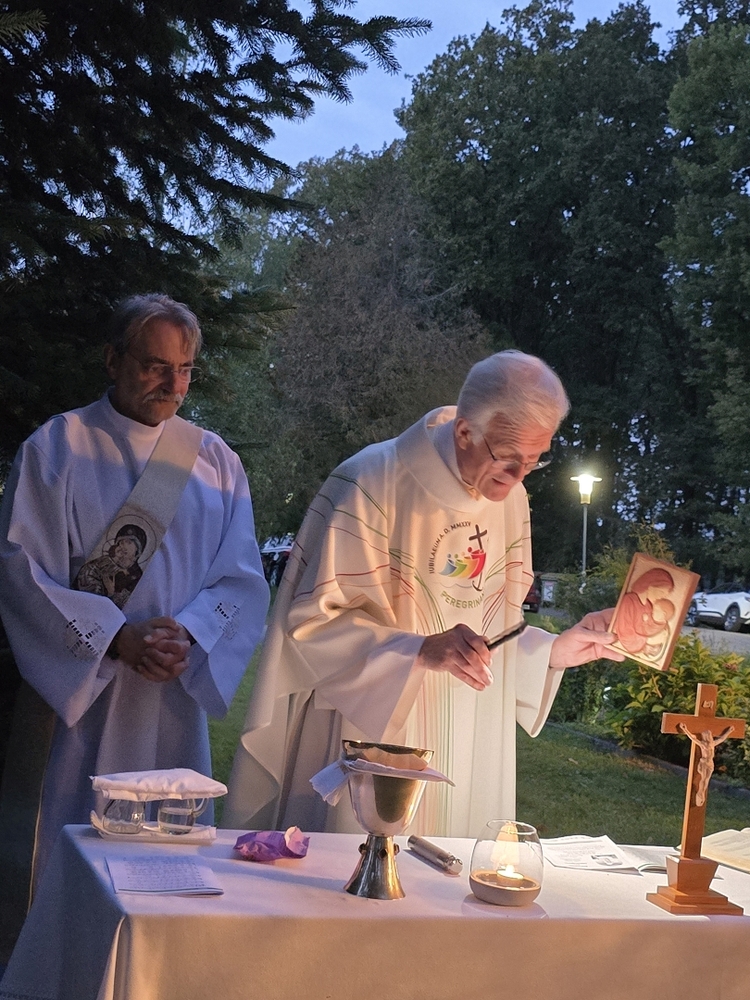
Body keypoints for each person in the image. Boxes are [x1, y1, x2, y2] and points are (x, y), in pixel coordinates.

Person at [223, 350, 623, 837]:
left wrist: (554, 651)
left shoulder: (511, 500)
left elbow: (493, 623)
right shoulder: (370, 482)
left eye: (534, 462)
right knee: (365, 868)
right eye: (508, 459)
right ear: (464, 432)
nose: (518, 477)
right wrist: (417, 650)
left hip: (471, 733)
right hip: (375, 723)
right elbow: (310, 626)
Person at [0, 293, 270, 884]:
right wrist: (118, 638)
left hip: (171, 696)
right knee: (71, 853)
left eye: (185, 369)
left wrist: (188, 635)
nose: (174, 386)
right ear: (112, 359)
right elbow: (21, 570)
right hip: (82, 695)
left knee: (168, 859)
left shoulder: (215, 463)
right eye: (155, 366)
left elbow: (241, 578)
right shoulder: (58, 448)